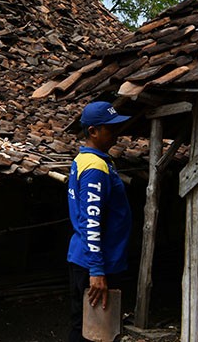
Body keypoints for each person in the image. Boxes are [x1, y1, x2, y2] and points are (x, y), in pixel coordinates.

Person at [66, 101, 132, 342]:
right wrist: (97, 270)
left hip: (89, 258)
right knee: (95, 333)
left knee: (86, 327)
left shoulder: (88, 161)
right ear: (92, 131)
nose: (115, 133)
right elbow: (91, 221)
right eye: (109, 128)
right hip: (95, 263)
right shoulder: (95, 167)